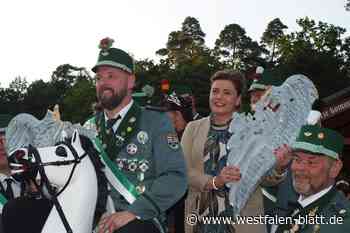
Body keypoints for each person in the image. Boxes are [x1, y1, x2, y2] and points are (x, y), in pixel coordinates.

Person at [84, 37, 187, 233]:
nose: (103, 83)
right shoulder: (88, 128)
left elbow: (175, 177)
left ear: (131, 81)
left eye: (111, 76)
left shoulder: (156, 122)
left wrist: (134, 212)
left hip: (140, 218)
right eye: (99, 78)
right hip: (94, 220)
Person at [275, 125, 350, 233]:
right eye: (297, 159)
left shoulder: (341, 223)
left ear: (334, 168)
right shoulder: (298, 205)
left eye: (311, 162)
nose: (300, 168)